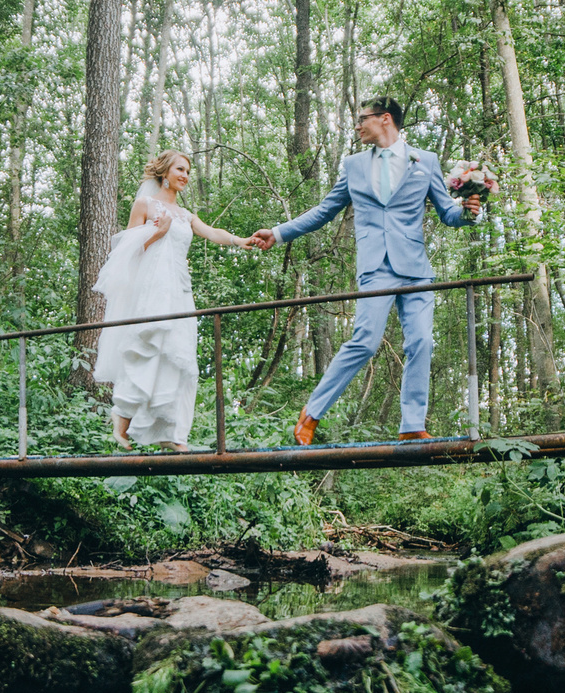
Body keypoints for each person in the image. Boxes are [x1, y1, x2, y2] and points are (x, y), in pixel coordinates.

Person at [244, 98, 487, 443]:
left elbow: (448, 213)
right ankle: (312, 413)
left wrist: (469, 212)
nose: (358, 126)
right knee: (365, 342)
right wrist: (279, 233)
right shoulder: (354, 165)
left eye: (363, 119)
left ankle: (412, 425)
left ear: (385, 119)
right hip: (375, 268)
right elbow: (325, 210)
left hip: (416, 268)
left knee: (421, 342)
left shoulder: (425, 161)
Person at [92, 149, 255, 450]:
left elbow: (212, 232)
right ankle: (122, 418)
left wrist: (240, 241)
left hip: (180, 291)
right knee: (148, 350)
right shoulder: (145, 204)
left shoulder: (185, 215)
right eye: (180, 169)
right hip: (152, 290)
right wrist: (156, 234)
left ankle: (171, 433)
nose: (185, 176)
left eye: (188, 172)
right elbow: (124, 253)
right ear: (165, 172)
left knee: (179, 358)